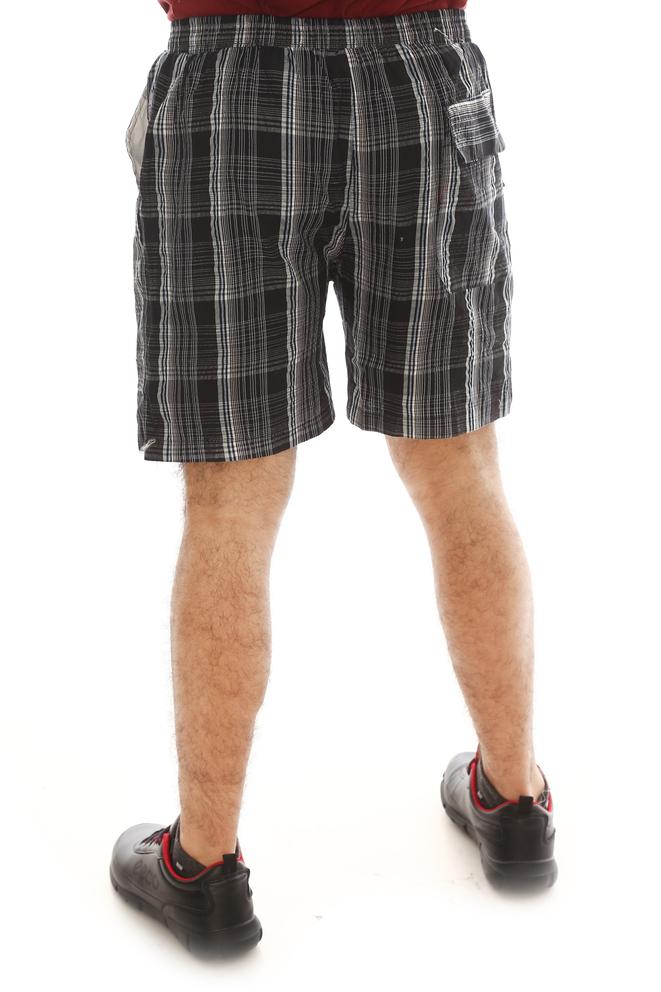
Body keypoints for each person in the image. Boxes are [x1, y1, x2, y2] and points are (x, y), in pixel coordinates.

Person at [111, 0, 557, 958]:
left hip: (230, 79)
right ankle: (514, 802)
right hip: (421, 73)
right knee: (461, 465)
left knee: (230, 499)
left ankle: (204, 868)